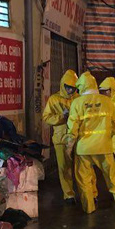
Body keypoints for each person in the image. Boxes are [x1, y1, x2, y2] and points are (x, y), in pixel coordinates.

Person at [67, 72, 115, 214]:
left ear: (80, 87)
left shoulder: (77, 103)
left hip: (84, 149)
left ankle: (89, 209)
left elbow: (72, 129)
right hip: (104, 147)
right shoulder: (108, 101)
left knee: (84, 180)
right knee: (113, 177)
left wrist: (68, 148)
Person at [42, 69, 79, 204]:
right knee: (64, 168)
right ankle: (69, 194)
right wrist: (62, 117)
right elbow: (46, 117)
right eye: (68, 87)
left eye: (72, 87)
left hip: (77, 138)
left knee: (81, 167)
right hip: (61, 139)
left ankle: (88, 193)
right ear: (63, 85)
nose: (70, 90)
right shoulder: (54, 99)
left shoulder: (79, 99)